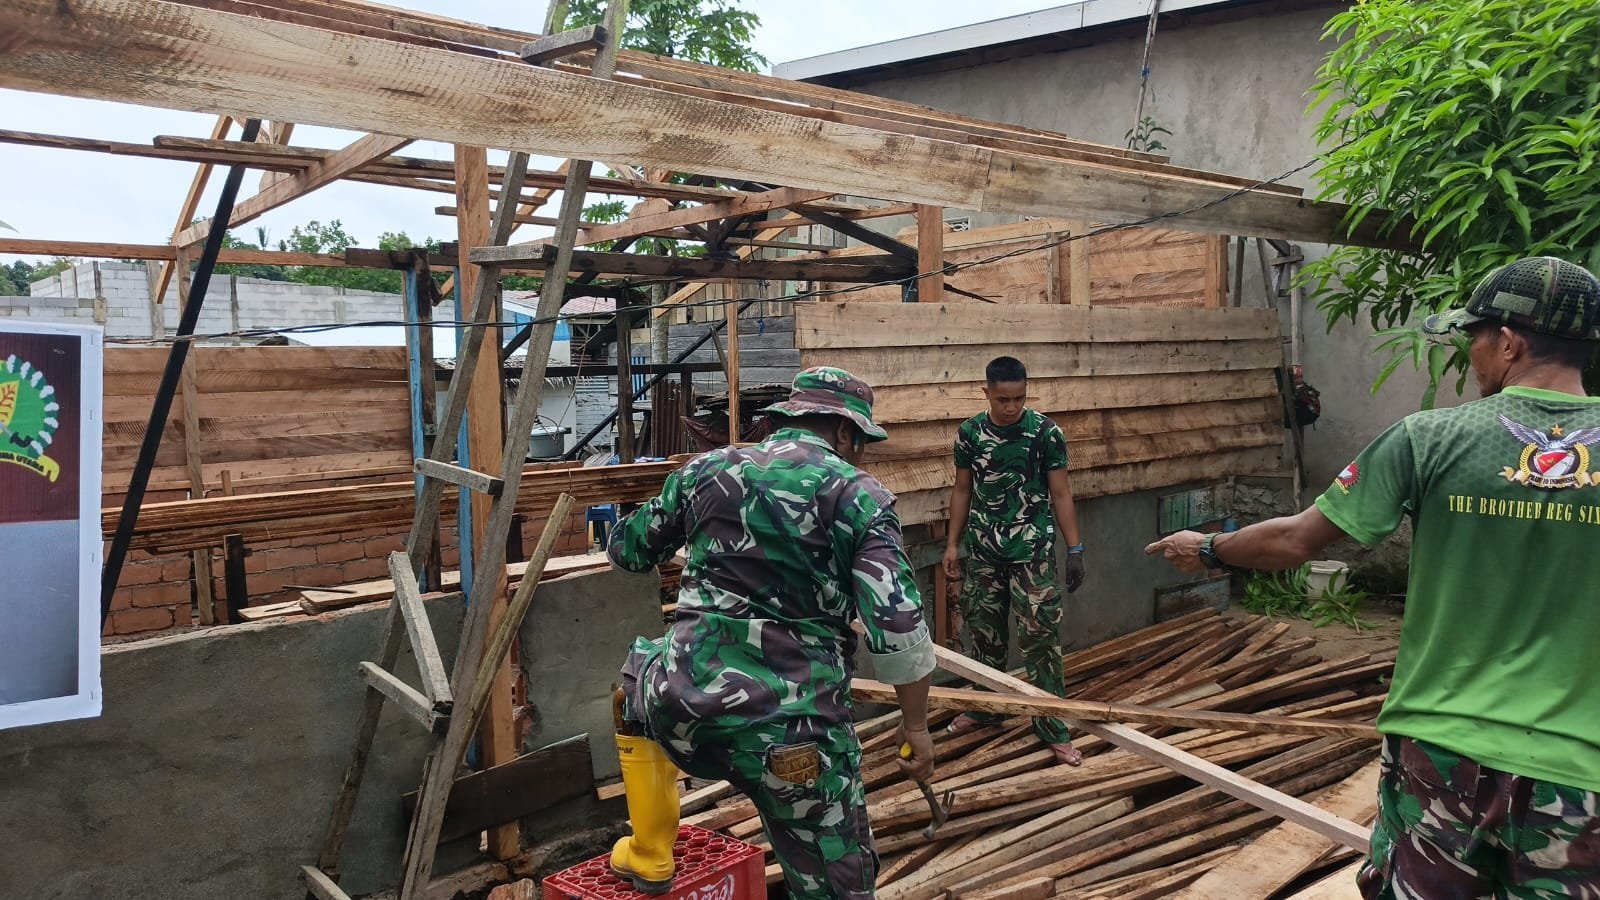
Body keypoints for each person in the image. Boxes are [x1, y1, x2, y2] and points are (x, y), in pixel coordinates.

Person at [1145, 256, 1600, 897]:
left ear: (1509, 341)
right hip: (1579, 773)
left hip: (1442, 754)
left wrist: (1212, 549)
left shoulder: (1430, 439)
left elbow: (1296, 539)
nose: (1471, 355)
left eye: (1474, 338)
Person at [606, 366, 937, 899]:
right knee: (835, 884)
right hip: (792, 737)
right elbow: (897, 629)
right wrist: (916, 726)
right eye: (860, 443)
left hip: (681, 708)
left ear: (787, 418)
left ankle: (649, 851)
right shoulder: (858, 495)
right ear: (845, 432)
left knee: (633, 676)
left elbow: (629, 550)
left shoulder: (705, 469)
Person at [941, 356, 1087, 765]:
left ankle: (1052, 725)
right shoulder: (970, 434)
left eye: (1019, 398)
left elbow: (1061, 493)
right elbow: (962, 491)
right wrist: (953, 546)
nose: (1011, 407)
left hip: (1032, 554)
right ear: (986, 392)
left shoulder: (1044, 433)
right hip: (984, 553)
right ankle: (985, 709)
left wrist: (1075, 549)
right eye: (1003, 399)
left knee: (1041, 642)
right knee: (984, 637)